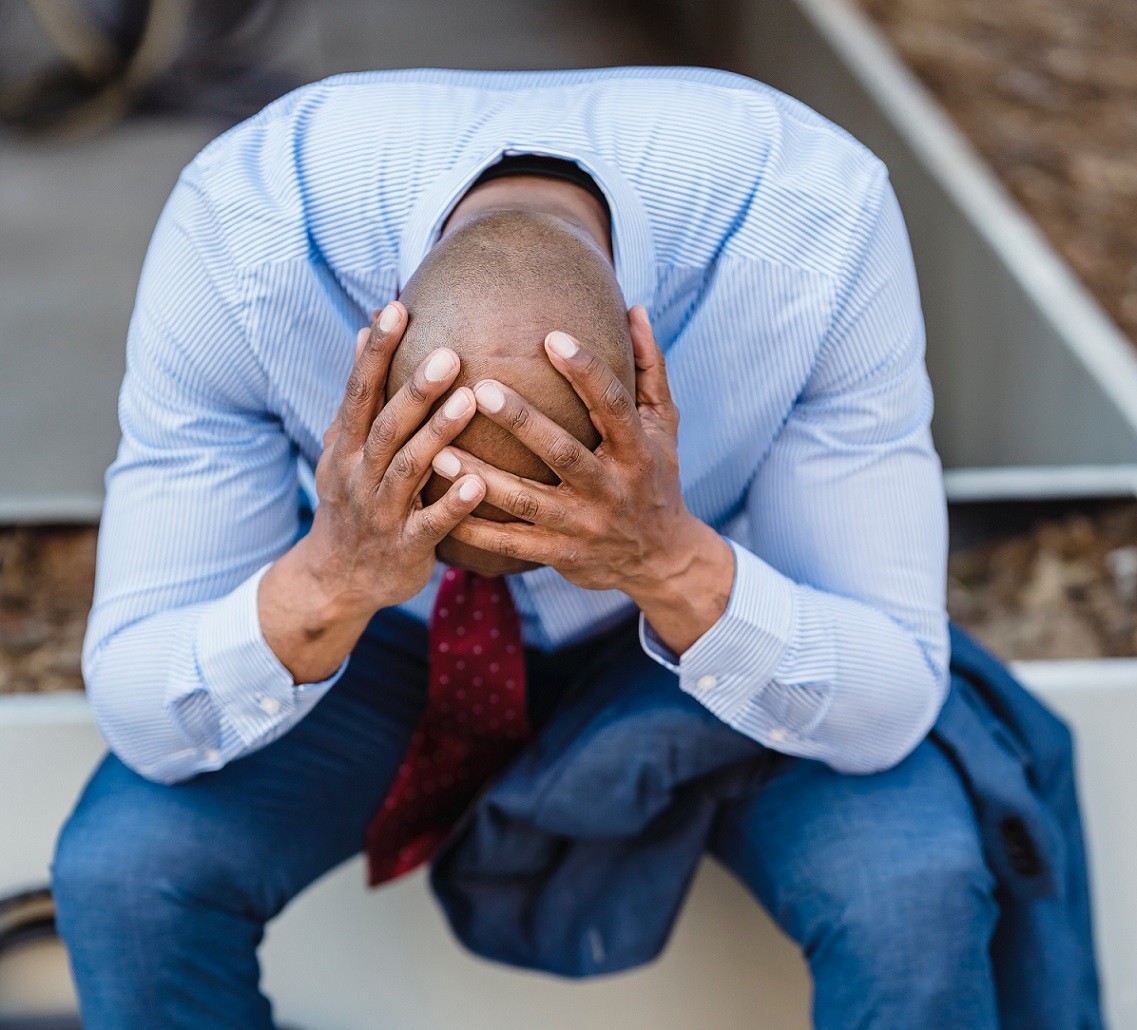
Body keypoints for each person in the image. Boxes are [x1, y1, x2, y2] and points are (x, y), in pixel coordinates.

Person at [53, 67, 997, 1027]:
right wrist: (333, 574)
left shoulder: (812, 222)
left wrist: (662, 557)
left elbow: (892, 696)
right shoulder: (245, 230)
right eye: (446, 511)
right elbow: (140, 703)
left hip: (679, 628)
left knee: (912, 882)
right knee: (129, 875)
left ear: (645, 376)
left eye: (541, 525)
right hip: (374, 626)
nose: (510, 547)